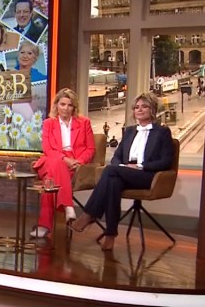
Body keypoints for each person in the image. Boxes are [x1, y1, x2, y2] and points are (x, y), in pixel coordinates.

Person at [70, 93, 174, 250]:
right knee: (113, 181)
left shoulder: (162, 132)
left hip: (147, 175)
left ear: (152, 109)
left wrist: (140, 166)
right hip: (124, 172)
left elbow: (166, 161)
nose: (139, 110)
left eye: (144, 106)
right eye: (136, 107)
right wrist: (121, 167)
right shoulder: (129, 131)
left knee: (111, 172)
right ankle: (110, 234)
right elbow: (117, 157)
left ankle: (89, 215)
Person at [30, 88, 95, 238]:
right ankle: (68, 205)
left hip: (74, 164)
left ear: (74, 107)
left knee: (49, 182)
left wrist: (79, 161)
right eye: (62, 104)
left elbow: (90, 148)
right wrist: (64, 159)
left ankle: (44, 226)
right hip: (51, 159)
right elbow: (47, 149)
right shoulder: (48, 123)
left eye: (69, 105)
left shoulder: (84, 123)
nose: (65, 108)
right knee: (57, 163)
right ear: (56, 105)